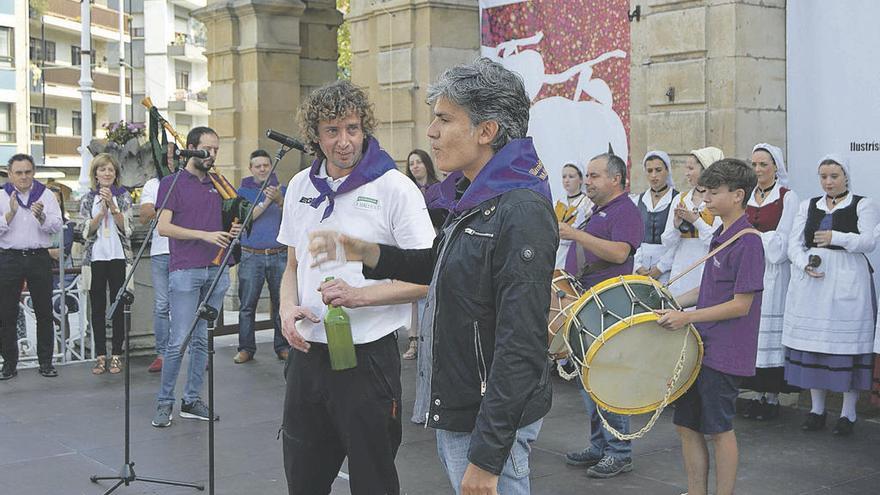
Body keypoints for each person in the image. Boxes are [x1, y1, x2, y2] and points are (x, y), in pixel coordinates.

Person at [307, 59, 557, 495]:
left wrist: (487, 457)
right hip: (466, 408)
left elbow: (522, 346)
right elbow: (442, 264)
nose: (431, 132)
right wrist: (370, 253)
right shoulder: (480, 195)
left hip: (486, 420)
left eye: (444, 119)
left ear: (487, 130)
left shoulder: (520, 210)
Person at [277, 80, 435, 495]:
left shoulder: (393, 187)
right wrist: (286, 309)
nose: (343, 141)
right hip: (308, 355)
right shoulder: (299, 186)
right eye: (332, 131)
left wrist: (358, 296)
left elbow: (428, 277)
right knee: (303, 478)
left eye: (351, 128)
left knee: (373, 479)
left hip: (367, 358)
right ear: (315, 135)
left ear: (364, 127)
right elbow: (292, 265)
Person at [657, 158, 764, 495]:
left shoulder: (749, 242)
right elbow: (707, 290)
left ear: (737, 195)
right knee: (687, 427)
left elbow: (740, 304)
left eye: (714, 193)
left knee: (719, 430)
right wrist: (670, 300)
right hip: (701, 345)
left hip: (724, 350)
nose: (705, 200)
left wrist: (686, 317)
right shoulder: (721, 234)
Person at [560, 153, 643, 479]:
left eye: (594, 176)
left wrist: (576, 234)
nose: (588, 181)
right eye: (588, 176)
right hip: (588, 304)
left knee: (609, 382)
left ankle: (619, 451)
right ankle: (600, 445)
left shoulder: (626, 211)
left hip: (609, 306)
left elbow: (621, 252)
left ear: (616, 179)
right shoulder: (599, 210)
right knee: (589, 382)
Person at [151, 126, 240, 427]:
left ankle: (191, 400)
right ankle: (165, 402)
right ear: (191, 148)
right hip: (186, 269)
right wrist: (204, 235)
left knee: (202, 341)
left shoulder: (219, 184)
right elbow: (163, 227)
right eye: (208, 149)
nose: (213, 155)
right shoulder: (172, 182)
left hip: (216, 268)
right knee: (179, 340)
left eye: (216, 150)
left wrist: (233, 231)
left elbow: (226, 223)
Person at [783, 155, 877, 437]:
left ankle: (848, 413)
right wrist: (804, 264)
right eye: (823, 176)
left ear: (846, 177)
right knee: (815, 344)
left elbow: (869, 241)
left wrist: (837, 237)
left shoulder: (863, 204)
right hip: (815, 282)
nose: (828, 182)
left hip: (848, 279)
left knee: (844, 346)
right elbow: (794, 244)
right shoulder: (808, 205)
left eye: (834, 176)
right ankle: (817, 409)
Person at [739, 143, 800, 420]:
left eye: (764, 164)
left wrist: (752, 237)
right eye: (755, 165)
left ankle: (773, 396)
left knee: (770, 336)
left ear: (776, 166)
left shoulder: (788, 197)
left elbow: (782, 244)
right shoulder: (748, 196)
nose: (758, 170)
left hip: (775, 274)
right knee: (752, 331)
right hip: (751, 269)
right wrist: (759, 237)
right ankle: (756, 394)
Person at [0, 153, 63, 380]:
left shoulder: (45, 195)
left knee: (44, 311)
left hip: (38, 257)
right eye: (18, 172)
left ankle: (46, 362)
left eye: (27, 172)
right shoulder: (2, 196)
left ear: (33, 172)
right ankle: (9, 363)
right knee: (6, 312)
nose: (24, 177)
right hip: (10, 257)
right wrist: (11, 213)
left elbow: (57, 226)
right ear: (10, 174)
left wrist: (42, 216)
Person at [78, 153, 133, 375]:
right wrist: (100, 213)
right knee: (98, 307)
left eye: (110, 170)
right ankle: (101, 355)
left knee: (119, 306)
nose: (107, 173)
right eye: (102, 170)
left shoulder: (124, 196)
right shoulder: (87, 198)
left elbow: (128, 229)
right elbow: (84, 231)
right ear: (96, 174)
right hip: (96, 258)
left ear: (115, 174)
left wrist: (113, 206)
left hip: (118, 256)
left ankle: (117, 355)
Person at [233, 149, 290, 364]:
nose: (263, 169)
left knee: (281, 302)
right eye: (258, 166)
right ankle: (246, 348)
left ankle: (282, 345)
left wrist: (280, 200)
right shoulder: (242, 191)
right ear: (251, 168)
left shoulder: (282, 190)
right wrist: (267, 202)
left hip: (279, 255)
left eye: (266, 165)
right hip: (251, 256)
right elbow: (247, 219)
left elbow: (293, 219)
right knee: (247, 305)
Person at [660, 147, 724, 297]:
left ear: (705, 169)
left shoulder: (717, 200)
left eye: (691, 168)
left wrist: (695, 220)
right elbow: (666, 242)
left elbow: (716, 241)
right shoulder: (681, 199)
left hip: (705, 263)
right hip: (682, 267)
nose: (686, 173)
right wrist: (676, 225)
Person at [139, 143, 179, 373]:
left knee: (189, 305)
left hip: (185, 250)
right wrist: (167, 200)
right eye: (167, 158)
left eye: (175, 157)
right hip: (161, 252)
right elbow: (144, 216)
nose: (171, 161)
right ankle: (162, 354)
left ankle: (194, 352)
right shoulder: (153, 184)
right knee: (162, 305)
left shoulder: (187, 181)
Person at [402, 149, 443, 363]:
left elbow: (443, 213)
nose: (415, 166)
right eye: (411, 163)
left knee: (430, 291)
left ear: (426, 164)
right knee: (413, 294)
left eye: (418, 162)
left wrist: (423, 212)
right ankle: (414, 340)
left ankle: (431, 338)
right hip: (413, 245)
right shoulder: (406, 189)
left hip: (434, 242)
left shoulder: (438, 187)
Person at [632, 151, 677, 283]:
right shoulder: (638, 200)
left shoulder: (677, 199)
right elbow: (634, 237)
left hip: (668, 266)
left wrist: (661, 268)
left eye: (658, 170)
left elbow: (677, 240)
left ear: (667, 170)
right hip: (641, 266)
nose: (653, 175)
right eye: (649, 170)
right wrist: (638, 266)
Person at [555, 162, 592, 269]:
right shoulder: (556, 203)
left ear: (581, 179)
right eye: (564, 177)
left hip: (575, 251)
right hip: (557, 252)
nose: (566, 180)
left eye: (571, 177)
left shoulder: (587, 203)